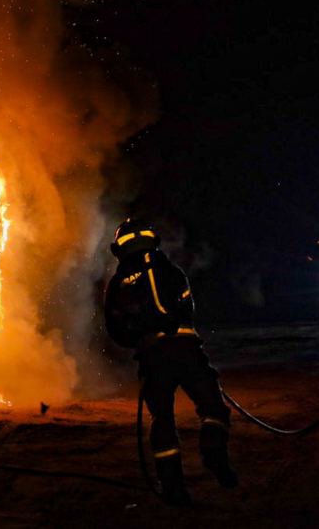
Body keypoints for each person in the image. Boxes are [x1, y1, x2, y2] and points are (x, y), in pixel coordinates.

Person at [104, 217, 236, 506]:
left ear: (119, 248)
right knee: (213, 408)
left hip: (154, 359)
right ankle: (214, 455)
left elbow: (115, 329)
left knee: (162, 419)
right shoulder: (173, 272)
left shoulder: (118, 284)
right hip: (188, 352)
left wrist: (140, 339)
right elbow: (188, 310)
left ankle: (174, 488)